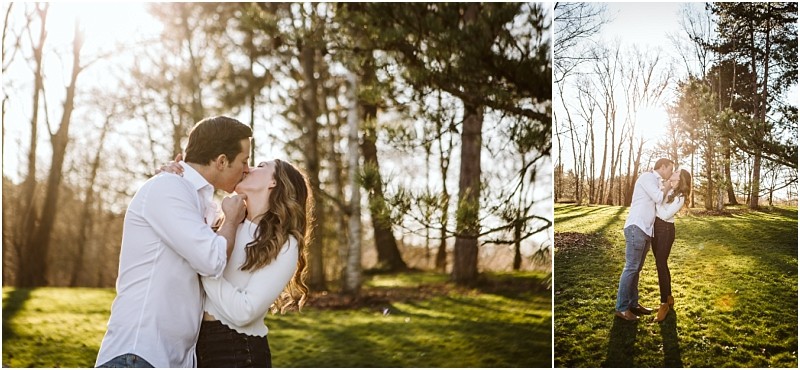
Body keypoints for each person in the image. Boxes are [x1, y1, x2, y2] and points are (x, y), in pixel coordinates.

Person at [95, 116, 252, 368]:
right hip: (139, 355)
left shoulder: (194, 198)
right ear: (222, 161)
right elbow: (212, 261)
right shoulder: (169, 188)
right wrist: (232, 220)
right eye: (244, 161)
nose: (247, 169)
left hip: (169, 360)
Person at [160, 158, 311, 368]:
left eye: (261, 166)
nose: (248, 168)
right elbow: (174, 223)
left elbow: (245, 311)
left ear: (274, 183)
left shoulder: (284, 243)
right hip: (194, 345)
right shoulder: (226, 224)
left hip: (238, 349)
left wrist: (205, 265)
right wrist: (169, 180)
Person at [614, 158, 674, 321]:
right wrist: (668, 185)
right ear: (662, 167)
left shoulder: (657, 181)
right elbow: (658, 198)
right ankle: (622, 308)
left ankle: (633, 304)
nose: (670, 173)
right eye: (670, 169)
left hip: (647, 230)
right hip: (637, 226)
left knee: (636, 269)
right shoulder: (648, 177)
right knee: (631, 267)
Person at [652, 169, 692, 322]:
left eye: (676, 172)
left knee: (661, 264)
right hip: (656, 229)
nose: (672, 172)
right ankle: (669, 298)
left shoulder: (680, 197)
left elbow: (664, 214)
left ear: (680, 178)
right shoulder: (669, 190)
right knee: (661, 264)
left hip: (666, 231)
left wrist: (657, 201)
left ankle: (663, 304)